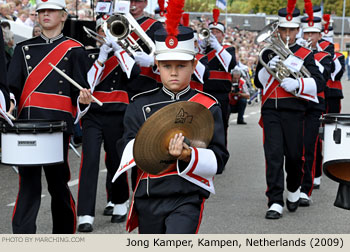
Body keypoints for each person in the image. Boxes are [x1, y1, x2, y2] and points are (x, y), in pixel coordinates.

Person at [112, 10, 229, 232]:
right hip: (149, 194)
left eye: (181, 66)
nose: (173, 73)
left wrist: (188, 155)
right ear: (156, 64)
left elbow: (220, 158)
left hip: (187, 195)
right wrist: (153, 143)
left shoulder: (208, 105)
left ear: (194, 66)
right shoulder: (138, 104)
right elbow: (124, 147)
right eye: (167, 66)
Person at [7, 0, 91, 234]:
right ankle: (23, 239)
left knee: (58, 184)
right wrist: (10, 103)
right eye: (42, 11)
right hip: (27, 125)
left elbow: (79, 92)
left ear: (63, 16)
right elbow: (13, 86)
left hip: (57, 125)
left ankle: (63, 236)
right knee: (28, 185)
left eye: (51, 11)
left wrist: (82, 102)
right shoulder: (23, 49)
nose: (45, 15)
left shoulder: (75, 49)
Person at [254, 4, 324, 220]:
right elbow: (258, 81)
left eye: (290, 30)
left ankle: (294, 188)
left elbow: (319, 82)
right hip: (271, 110)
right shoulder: (267, 52)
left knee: (294, 156)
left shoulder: (305, 54)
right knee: (273, 156)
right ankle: (275, 200)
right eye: (283, 30)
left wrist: (299, 85)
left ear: (297, 31)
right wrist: (268, 68)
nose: (286, 34)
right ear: (278, 30)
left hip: (295, 110)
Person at [76, 17, 140, 232]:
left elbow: (133, 74)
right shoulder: (89, 55)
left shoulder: (126, 55)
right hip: (93, 114)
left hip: (118, 113)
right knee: (90, 161)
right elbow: (88, 84)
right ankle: (85, 214)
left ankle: (120, 201)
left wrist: (118, 49)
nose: (107, 34)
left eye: (111, 30)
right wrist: (102, 57)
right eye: (103, 31)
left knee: (115, 159)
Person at [299, 15, 332, 206]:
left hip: (314, 104)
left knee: (309, 146)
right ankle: (294, 185)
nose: (310, 36)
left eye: (313, 33)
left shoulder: (325, 56)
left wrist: (306, 55)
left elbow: (324, 75)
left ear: (320, 35)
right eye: (307, 32)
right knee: (293, 150)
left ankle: (306, 188)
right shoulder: (293, 52)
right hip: (294, 103)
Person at [203, 9, 236, 147]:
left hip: (221, 95)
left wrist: (217, 47)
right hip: (204, 93)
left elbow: (231, 64)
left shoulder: (228, 50)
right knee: (204, 127)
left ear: (222, 36)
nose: (214, 35)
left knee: (221, 126)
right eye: (211, 32)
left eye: (217, 32)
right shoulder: (203, 50)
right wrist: (201, 48)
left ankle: (220, 155)